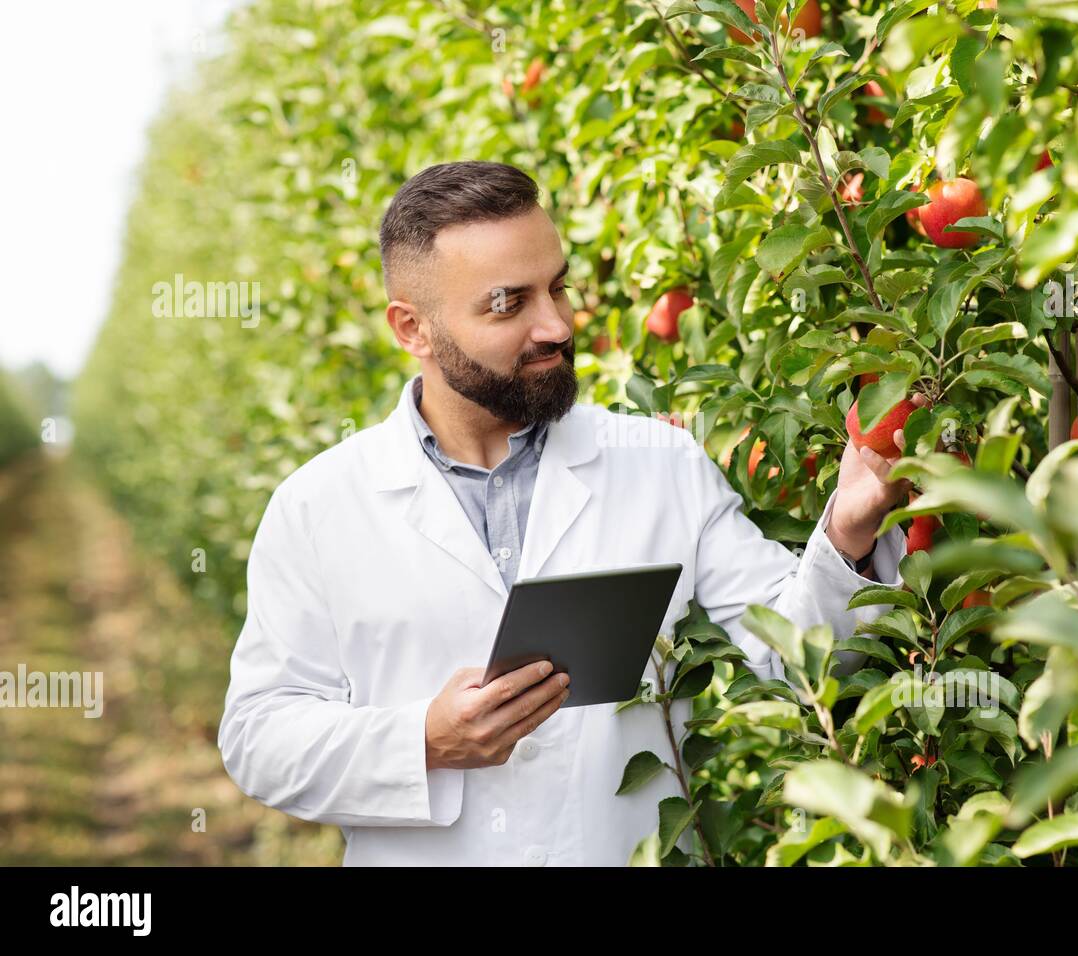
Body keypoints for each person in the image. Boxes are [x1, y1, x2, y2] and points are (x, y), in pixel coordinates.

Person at [217, 160, 913, 866]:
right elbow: (260, 738)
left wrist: (849, 530)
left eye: (557, 288)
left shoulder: (660, 465)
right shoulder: (319, 507)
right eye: (507, 304)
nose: (555, 325)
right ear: (413, 329)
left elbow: (796, 660)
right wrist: (422, 740)